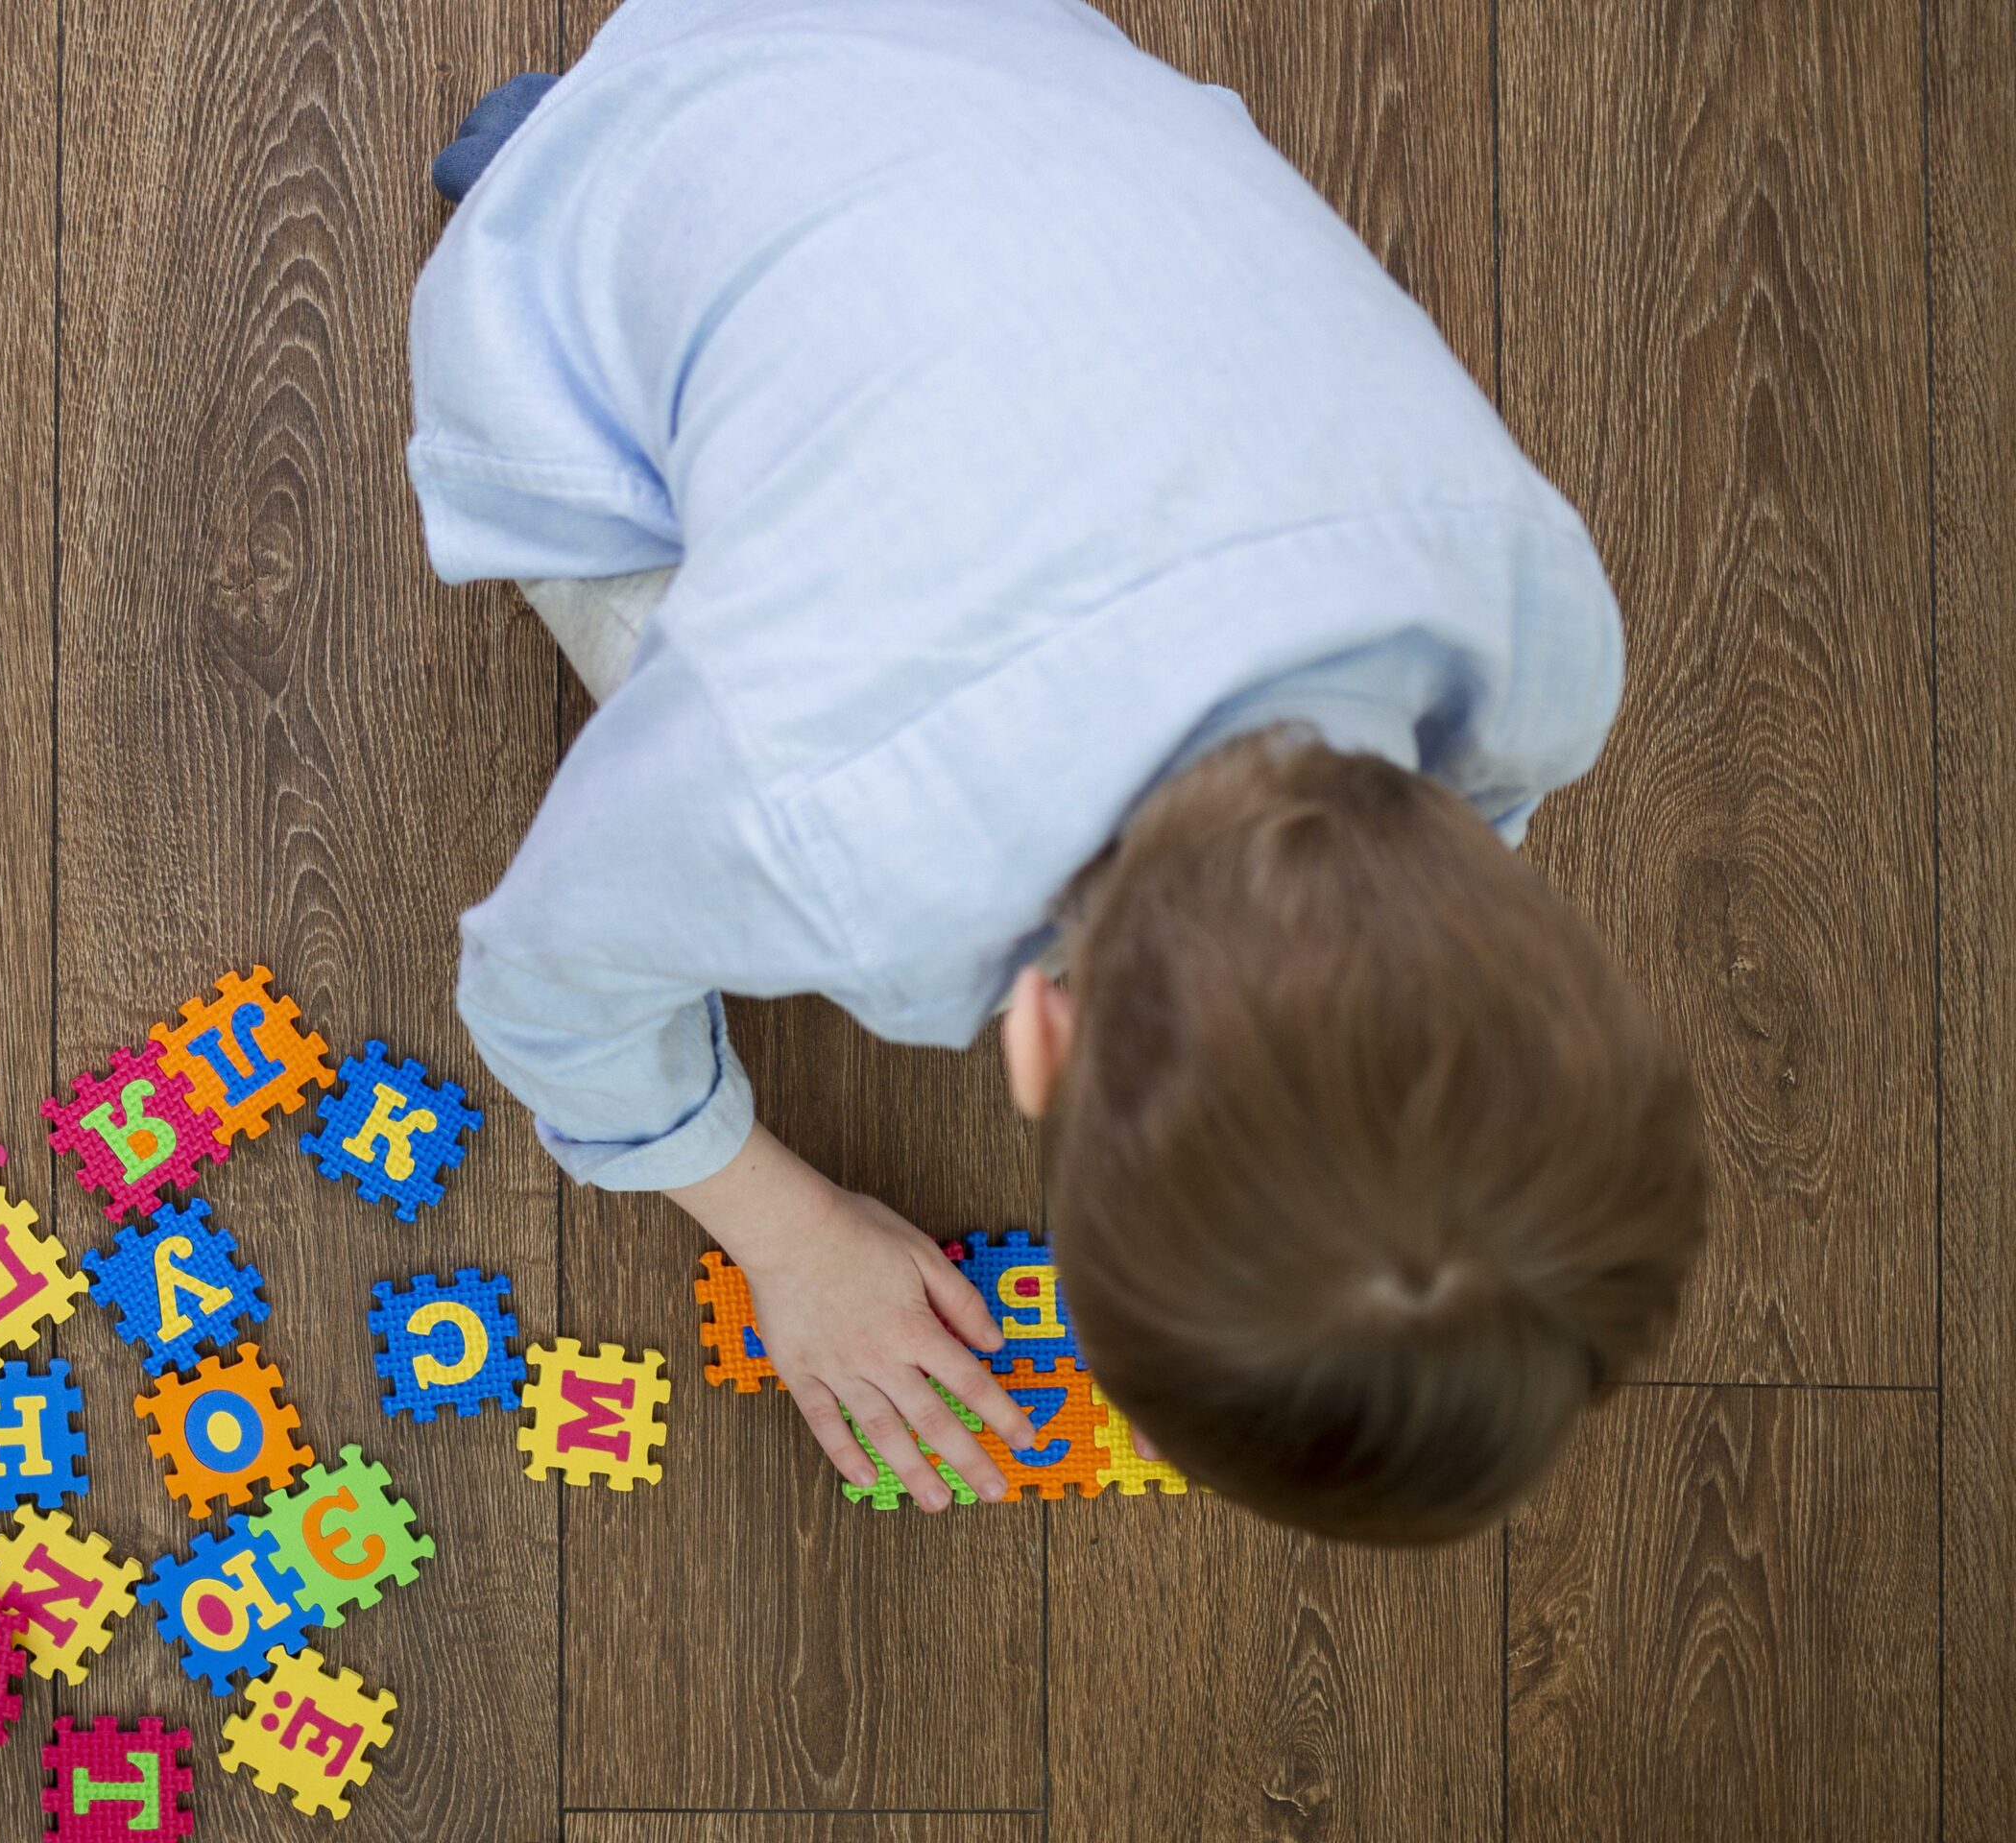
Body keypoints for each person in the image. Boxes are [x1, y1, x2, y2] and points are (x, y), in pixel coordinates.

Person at [407, 0, 1706, 1539]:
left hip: (982, 50)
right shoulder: (819, 813)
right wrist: (786, 1229)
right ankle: (527, 170)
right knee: (678, 630)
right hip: (595, 232)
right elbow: (541, 986)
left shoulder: (1550, 645)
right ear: (1032, 1039)